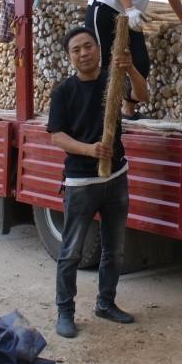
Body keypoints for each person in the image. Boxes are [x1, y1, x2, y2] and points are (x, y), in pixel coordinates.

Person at [47, 26, 149, 339]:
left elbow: (142, 96)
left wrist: (129, 67)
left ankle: (106, 304)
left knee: (114, 249)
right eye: (76, 49)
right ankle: (65, 312)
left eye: (88, 46)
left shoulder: (112, 81)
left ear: (97, 49)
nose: (84, 53)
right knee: (72, 252)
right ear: (69, 57)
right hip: (80, 181)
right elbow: (57, 136)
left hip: (116, 177)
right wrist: (89, 149)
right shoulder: (63, 92)